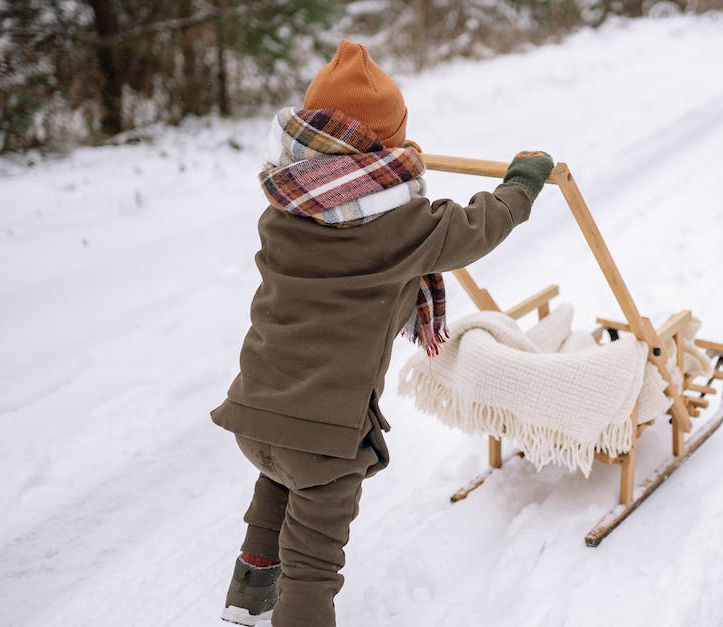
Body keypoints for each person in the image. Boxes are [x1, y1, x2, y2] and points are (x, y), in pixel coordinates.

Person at [210, 39, 554, 627]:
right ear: (383, 147)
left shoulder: (283, 208)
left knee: (273, 495)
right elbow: (478, 226)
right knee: (314, 561)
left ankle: (245, 601)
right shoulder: (404, 226)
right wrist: (521, 184)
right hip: (327, 434)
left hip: (256, 413)